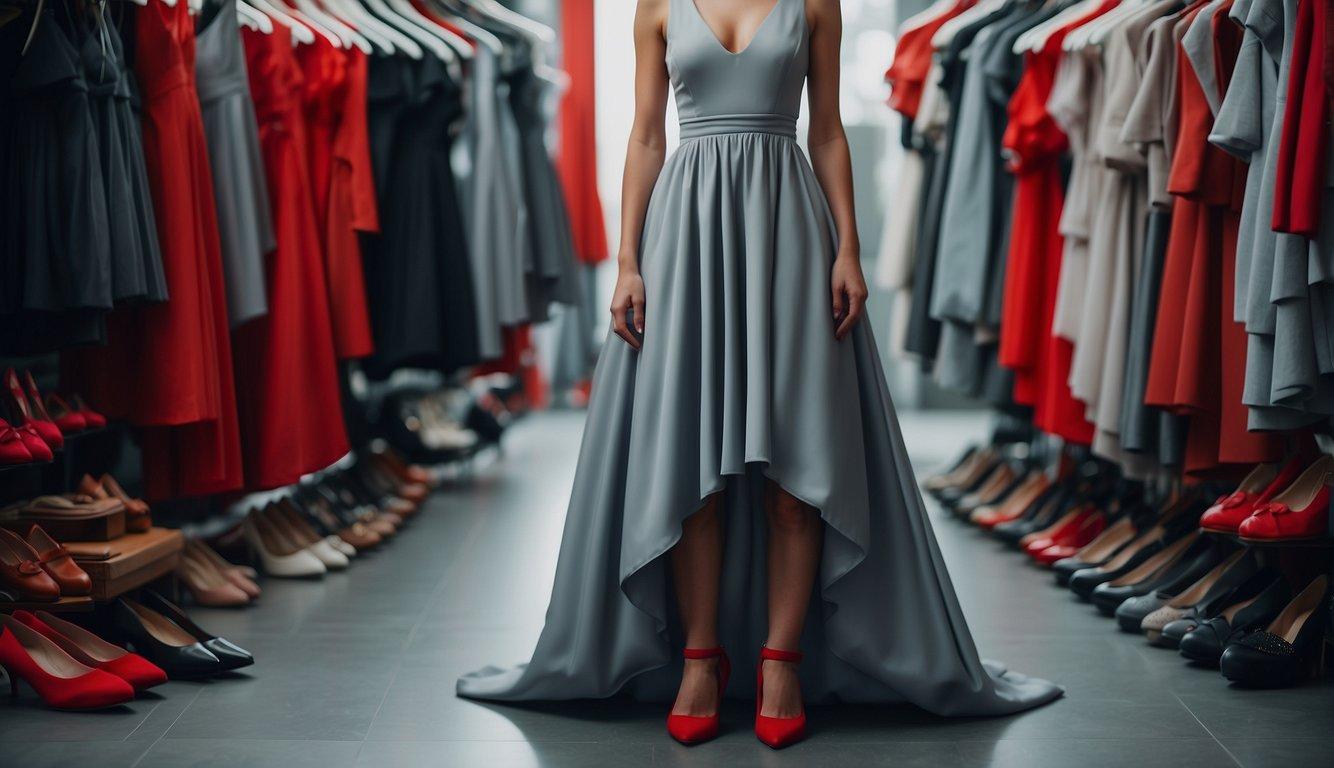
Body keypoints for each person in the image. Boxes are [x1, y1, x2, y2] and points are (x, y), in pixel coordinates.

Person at [457, 0, 1061, 749]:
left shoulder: (814, 3)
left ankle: (782, 663)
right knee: (691, 467)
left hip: (788, 231)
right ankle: (700, 660)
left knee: (796, 465)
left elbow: (830, 131)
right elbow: (646, 136)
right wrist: (627, 260)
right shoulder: (659, 6)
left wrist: (848, 251)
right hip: (686, 236)